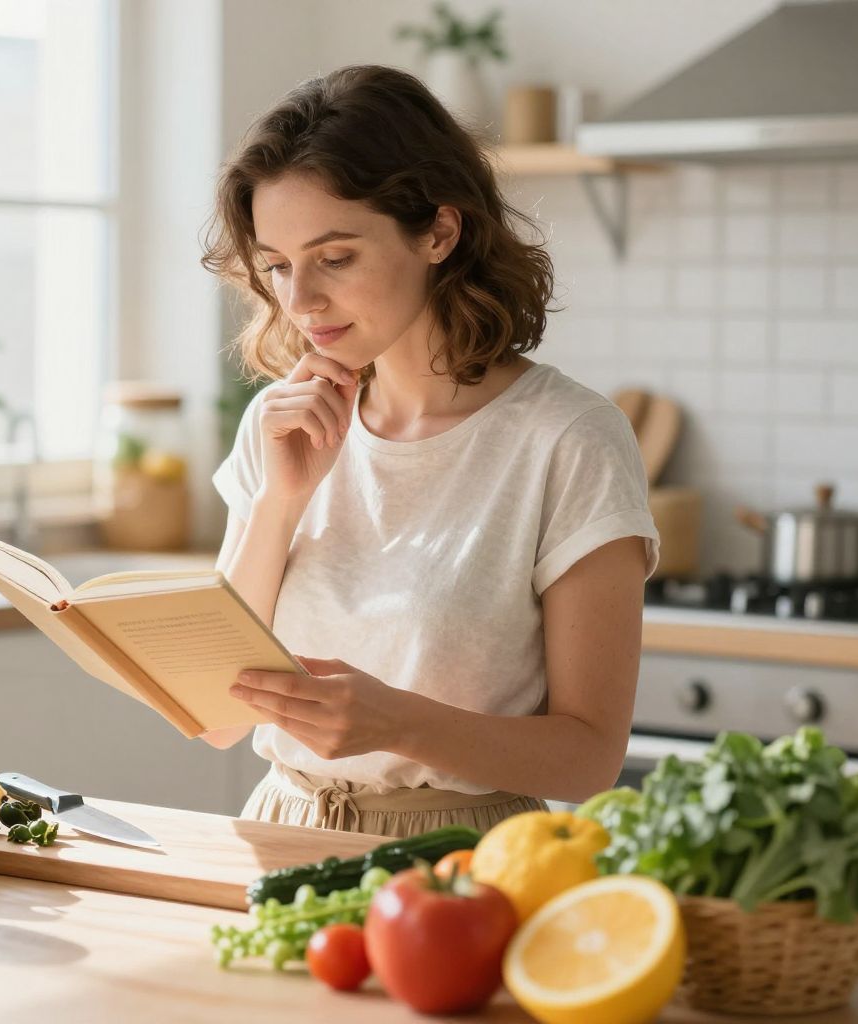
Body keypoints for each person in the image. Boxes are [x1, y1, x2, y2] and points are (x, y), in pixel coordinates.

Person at [198, 65, 659, 839]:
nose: (301, 301)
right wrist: (280, 502)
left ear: (440, 233)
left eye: (335, 257)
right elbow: (213, 717)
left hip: (465, 865)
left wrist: (396, 722)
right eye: (278, 266)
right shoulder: (279, 429)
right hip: (279, 837)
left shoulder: (568, 440)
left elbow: (590, 758)